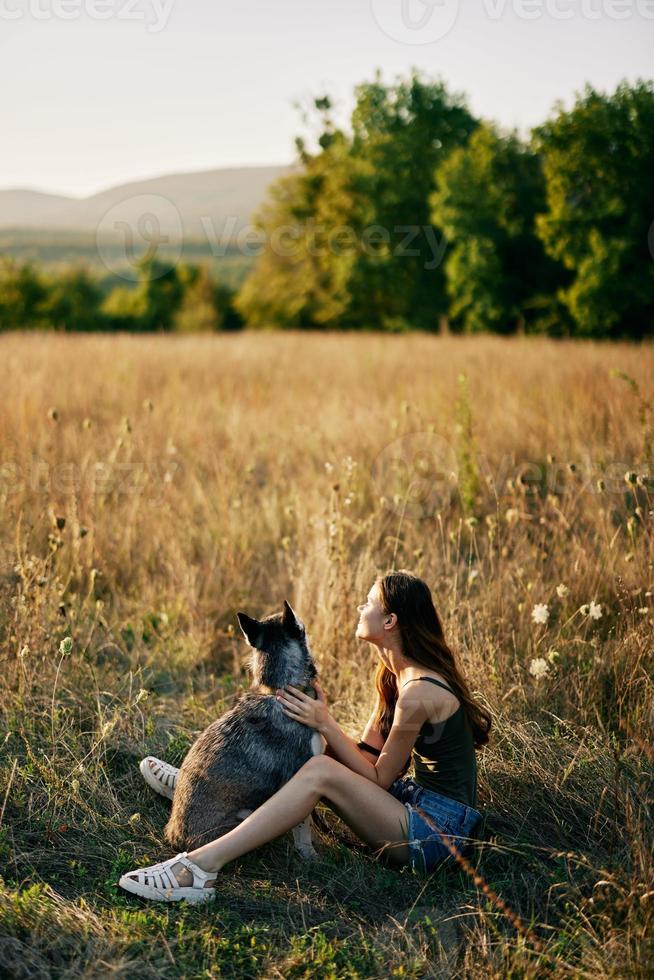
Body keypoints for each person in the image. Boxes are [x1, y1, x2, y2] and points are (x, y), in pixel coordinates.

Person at [119, 570, 492, 902]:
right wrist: (320, 729)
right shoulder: (394, 676)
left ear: (391, 620)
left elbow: (380, 778)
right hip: (414, 805)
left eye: (369, 602)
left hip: (440, 835)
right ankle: (208, 783)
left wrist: (325, 721)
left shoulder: (418, 692)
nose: (361, 608)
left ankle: (198, 868)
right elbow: (365, 756)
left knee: (319, 769)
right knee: (317, 754)